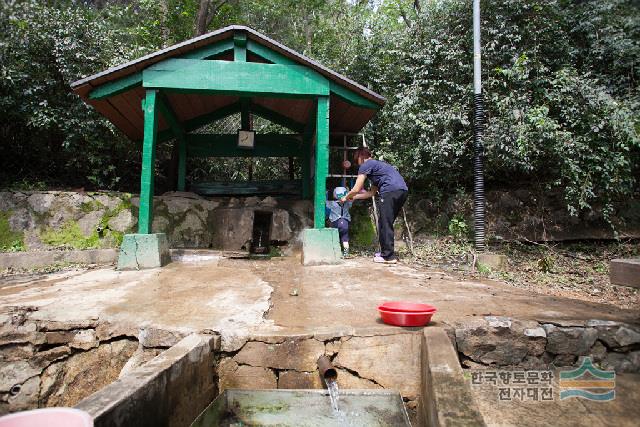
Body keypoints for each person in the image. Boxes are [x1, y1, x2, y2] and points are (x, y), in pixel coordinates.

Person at [341, 147, 408, 264]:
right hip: (402, 191)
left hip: (390, 191)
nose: (357, 163)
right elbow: (371, 193)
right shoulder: (378, 167)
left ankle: (389, 256)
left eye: (357, 159)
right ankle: (385, 253)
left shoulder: (366, 165)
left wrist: (346, 197)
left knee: (385, 223)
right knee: (385, 222)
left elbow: (356, 188)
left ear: (361, 157)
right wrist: (353, 198)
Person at [326, 186, 352, 257]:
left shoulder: (332, 203)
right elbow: (351, 201)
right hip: (345, 222)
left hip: (335, 222)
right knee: (345, 239)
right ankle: (346, 253)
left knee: (335, 237)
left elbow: (325, 203)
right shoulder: (348, 203)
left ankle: (336, 253)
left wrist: (326, 193)